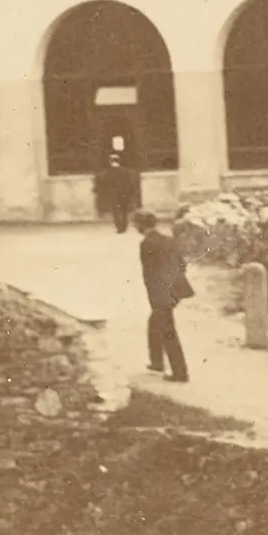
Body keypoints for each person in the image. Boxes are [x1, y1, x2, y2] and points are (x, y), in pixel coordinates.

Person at [134, 210, 192, 382]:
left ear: (140, 225)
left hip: (162, 293)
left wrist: (156, 298)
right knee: (155, 325)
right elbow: (182, 264)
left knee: (167, 331)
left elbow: (150, 274)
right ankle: (157, 362)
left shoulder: (147, 244)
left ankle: (180, 373)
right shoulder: (168, 240)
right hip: (176, 289)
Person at [93, 139, 140, 233]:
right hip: (124, 193)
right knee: (124, 210)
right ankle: (124, 226)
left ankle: (119, 227)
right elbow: (129, 183)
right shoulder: (125, 171)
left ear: (110, 161)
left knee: (116, 211)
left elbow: (104, 184)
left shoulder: (107, 172)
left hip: (113, 194)